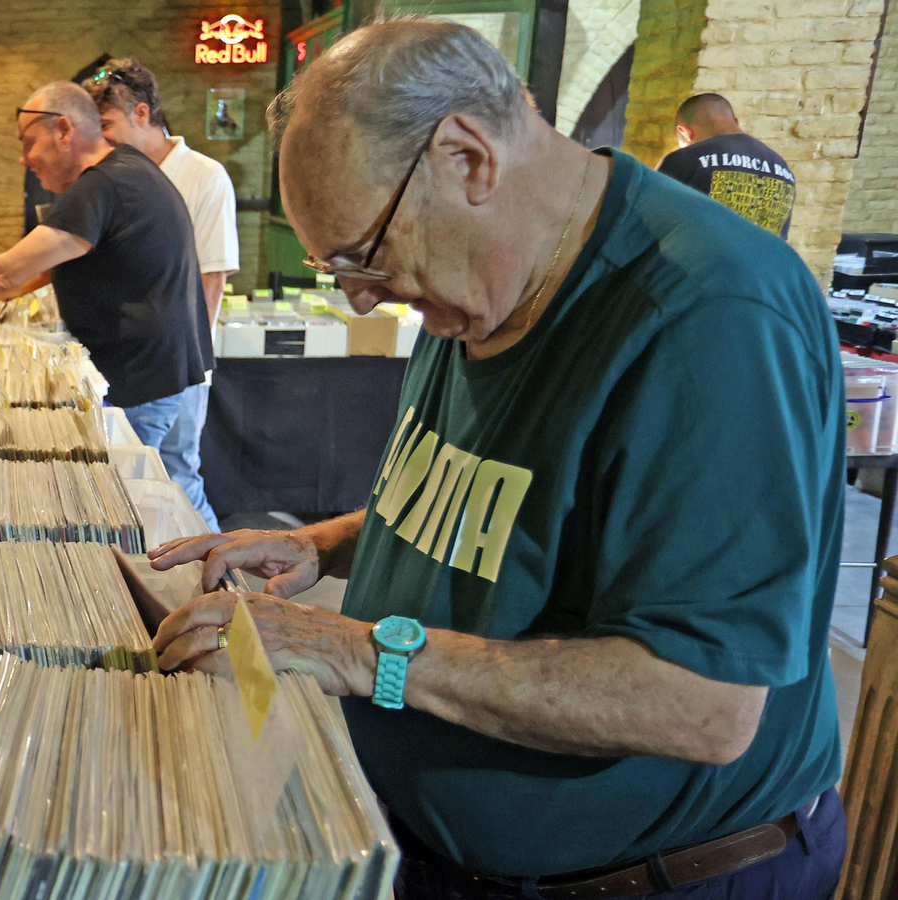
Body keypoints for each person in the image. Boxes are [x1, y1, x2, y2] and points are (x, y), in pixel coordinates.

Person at [149, 19, 844, 900]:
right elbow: (516, 507)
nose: (361, 296)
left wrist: (360, 653)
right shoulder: (478, 285)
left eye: (363, 257)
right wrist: (325, 544)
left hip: (654, 877)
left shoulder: (712, 314)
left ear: (466, 158)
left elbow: (702, 702)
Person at [0, 82, 215, 487]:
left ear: (64, 131)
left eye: (28, 142)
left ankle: (219, 552)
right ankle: (216, 551)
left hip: (140, 383)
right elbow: (35, 273)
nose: (23, 158)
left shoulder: (98, 186)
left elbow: (6, 271)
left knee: (132, 503)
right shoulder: (125, 168)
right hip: (164, 373)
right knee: (179, 492)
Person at [85, 58, 234, 531]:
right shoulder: (119, 175)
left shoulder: (205, 176)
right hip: (130, 360)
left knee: (177, 474)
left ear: (143, 114)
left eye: (107, 125)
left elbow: (212, 278)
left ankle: (222, 586)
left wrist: (191, 369)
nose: (103, 137)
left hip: (181, 362)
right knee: (137, 475)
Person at [656, 93, 796, 238]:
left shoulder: (683, 160)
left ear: (686, 132)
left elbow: (646, 223)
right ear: (736, 121)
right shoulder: (782, 168)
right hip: (768, 260)